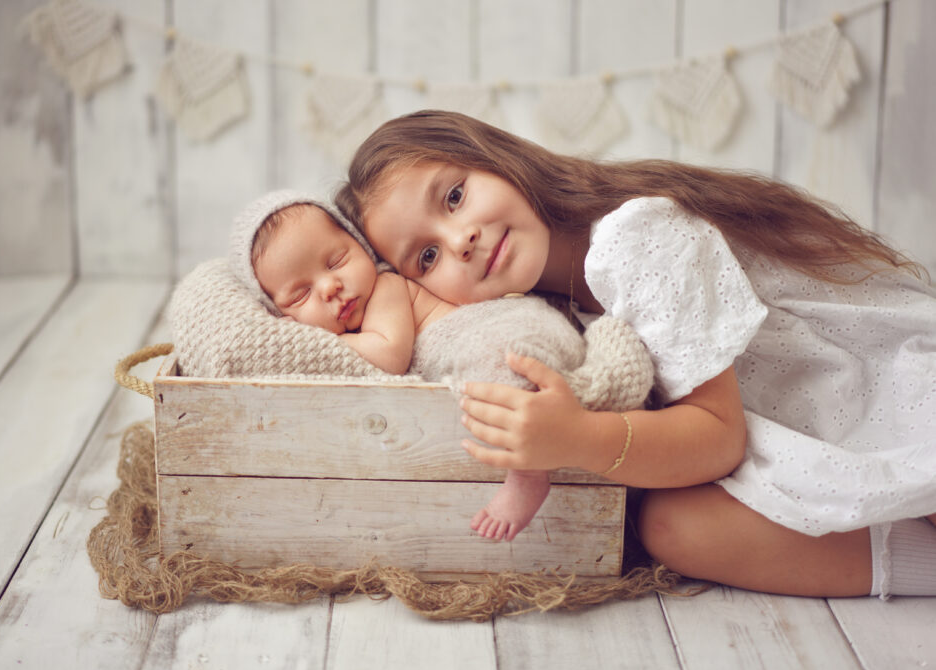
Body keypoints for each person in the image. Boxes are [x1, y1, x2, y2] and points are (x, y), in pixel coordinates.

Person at [334, 109, 936, 598]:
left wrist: (574, 439)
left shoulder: (631, 238)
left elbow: (718, 439)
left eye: (456, 196)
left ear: (498, 159)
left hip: (872, 386)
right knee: (673, 529)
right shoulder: (542, 310)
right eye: (427, 258)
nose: (459, 240)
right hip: (792, 425)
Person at [230, 190, 652, 542]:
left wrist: (308, 340)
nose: (330, 287)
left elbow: (390, 354)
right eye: (300, 295)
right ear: (277, 312)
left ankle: (527, 475)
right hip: (512, 335)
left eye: (337, 261)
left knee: (493, 382)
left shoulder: (387, 287)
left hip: (501, 335)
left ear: (361, 246)